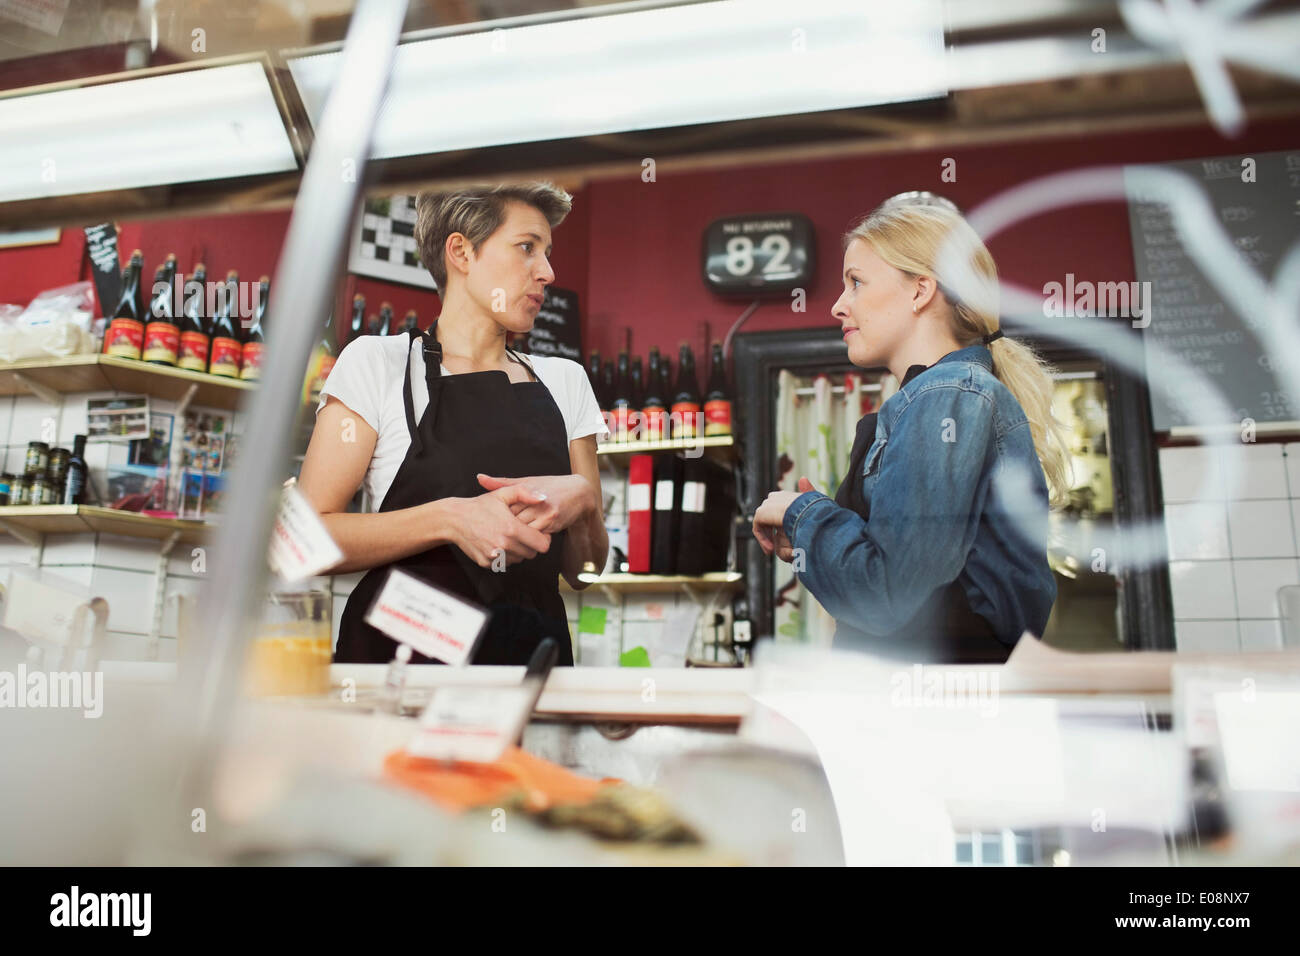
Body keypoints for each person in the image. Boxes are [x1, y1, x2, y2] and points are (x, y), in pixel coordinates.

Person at [298, 182, 609, 665]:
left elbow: (586, 573)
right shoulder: (379, 363)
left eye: (547, 253)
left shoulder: (565, 381)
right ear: (461, 252)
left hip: (526, 679)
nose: (547, 272)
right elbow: (307, 542)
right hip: (399, 679)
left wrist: (587, 504)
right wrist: (451, 519)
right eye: (527, 247)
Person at [752, 195, 1069, 663]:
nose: (839, 305)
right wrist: (818, 530)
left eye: (856, 282)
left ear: (921, 290)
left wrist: (802, 512)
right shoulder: (941, 396)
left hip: (935, 716)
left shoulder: (946, 395)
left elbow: (887, 595)